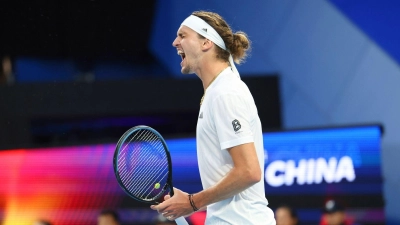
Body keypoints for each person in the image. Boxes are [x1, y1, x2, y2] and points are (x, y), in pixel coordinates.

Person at [151, 11, 275, 224]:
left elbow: (249, 171)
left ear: (206, 42)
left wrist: (192, 202)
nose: (174, 42)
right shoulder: (217, 92)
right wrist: (188, 204)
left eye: (182, 35)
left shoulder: (225, 93)